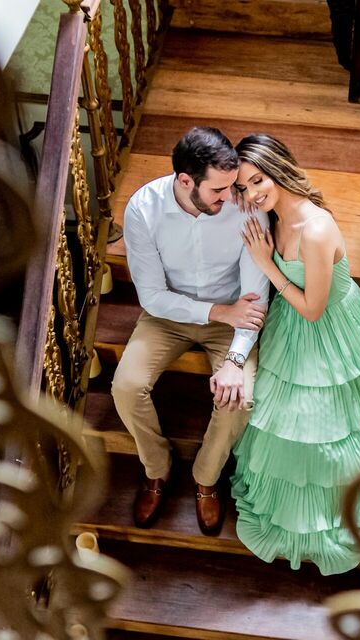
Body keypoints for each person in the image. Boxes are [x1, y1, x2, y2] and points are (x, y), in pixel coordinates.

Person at [229, 133, 360, 575]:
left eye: (258, 180)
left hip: (325, 328)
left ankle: (327, 515)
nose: (253, 193)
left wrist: (267, 265)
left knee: (319, 426)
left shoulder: (317, 228)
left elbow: (313, 309)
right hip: (290, 321)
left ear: (279, 170)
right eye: (244, 186)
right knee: (279, 417)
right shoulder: (272, 217)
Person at [112, 127, 270, 535]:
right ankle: (156, 468)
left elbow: (255, 298)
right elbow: (151, 297)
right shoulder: (143, 209)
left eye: (232, 185)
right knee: (126, 387)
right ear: (185, 181)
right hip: (169, 314)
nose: (230, 196)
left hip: (234, 316)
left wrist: (235, 360)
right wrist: (217, 311)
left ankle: (206, 478)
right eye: (218, 189)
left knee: (240, 398)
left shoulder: (245, 206)